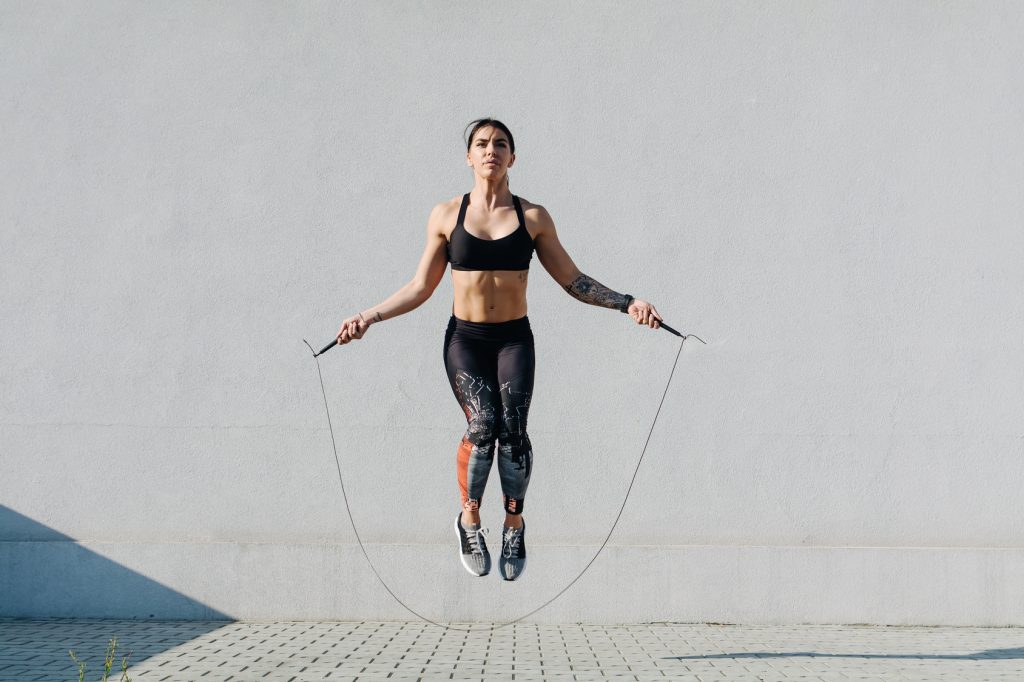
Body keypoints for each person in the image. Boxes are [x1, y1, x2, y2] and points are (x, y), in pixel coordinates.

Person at [336, 118, 662, 581]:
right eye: (482, 144)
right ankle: (470, 517)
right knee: (483, 423)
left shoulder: (533, 218)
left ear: (513, 157)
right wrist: (368, 316)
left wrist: (628, 303)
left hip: (513, 339)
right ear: (469, 156)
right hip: (466, 339)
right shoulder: (447, 215)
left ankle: (513, 522)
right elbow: (419, 287)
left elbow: (574, 280)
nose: (491, 150)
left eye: (501, 144)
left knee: (513, 429)